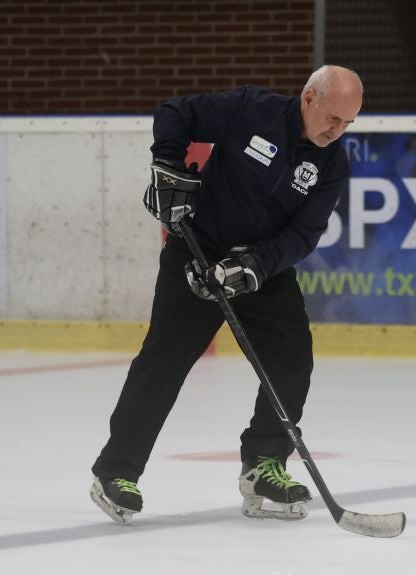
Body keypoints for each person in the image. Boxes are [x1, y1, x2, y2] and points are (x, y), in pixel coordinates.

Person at [89, 65, 364, 524]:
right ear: (309, 98)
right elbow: (174, 113)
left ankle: (263, 465)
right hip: (198, 251)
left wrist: (256, 265)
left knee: (292, 361)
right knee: (165, 361)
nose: (337, 131)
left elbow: (304, 234)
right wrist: (170, 167)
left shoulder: (331, 163)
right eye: (333, 118)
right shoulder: (250, 109)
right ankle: (116, 472)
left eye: (348, 124)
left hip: (261, 271)